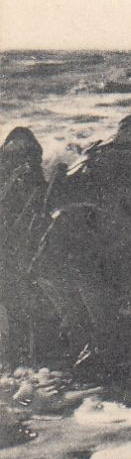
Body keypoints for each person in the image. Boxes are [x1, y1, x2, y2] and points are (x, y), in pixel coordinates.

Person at [30, 114, 131, 363]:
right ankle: (101, 369)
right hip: (87, 245)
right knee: (104, 315)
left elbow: (52, 199)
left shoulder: (90, 157)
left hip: (54, 247)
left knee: (81, 316)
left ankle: (77, 368)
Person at [0, 128, 49, 364]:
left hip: (16, 248)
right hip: (19, 248)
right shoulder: (33, 177)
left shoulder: (20, 177)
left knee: (17, 306)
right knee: (22, 305)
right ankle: (24, 357)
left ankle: (18, 357)